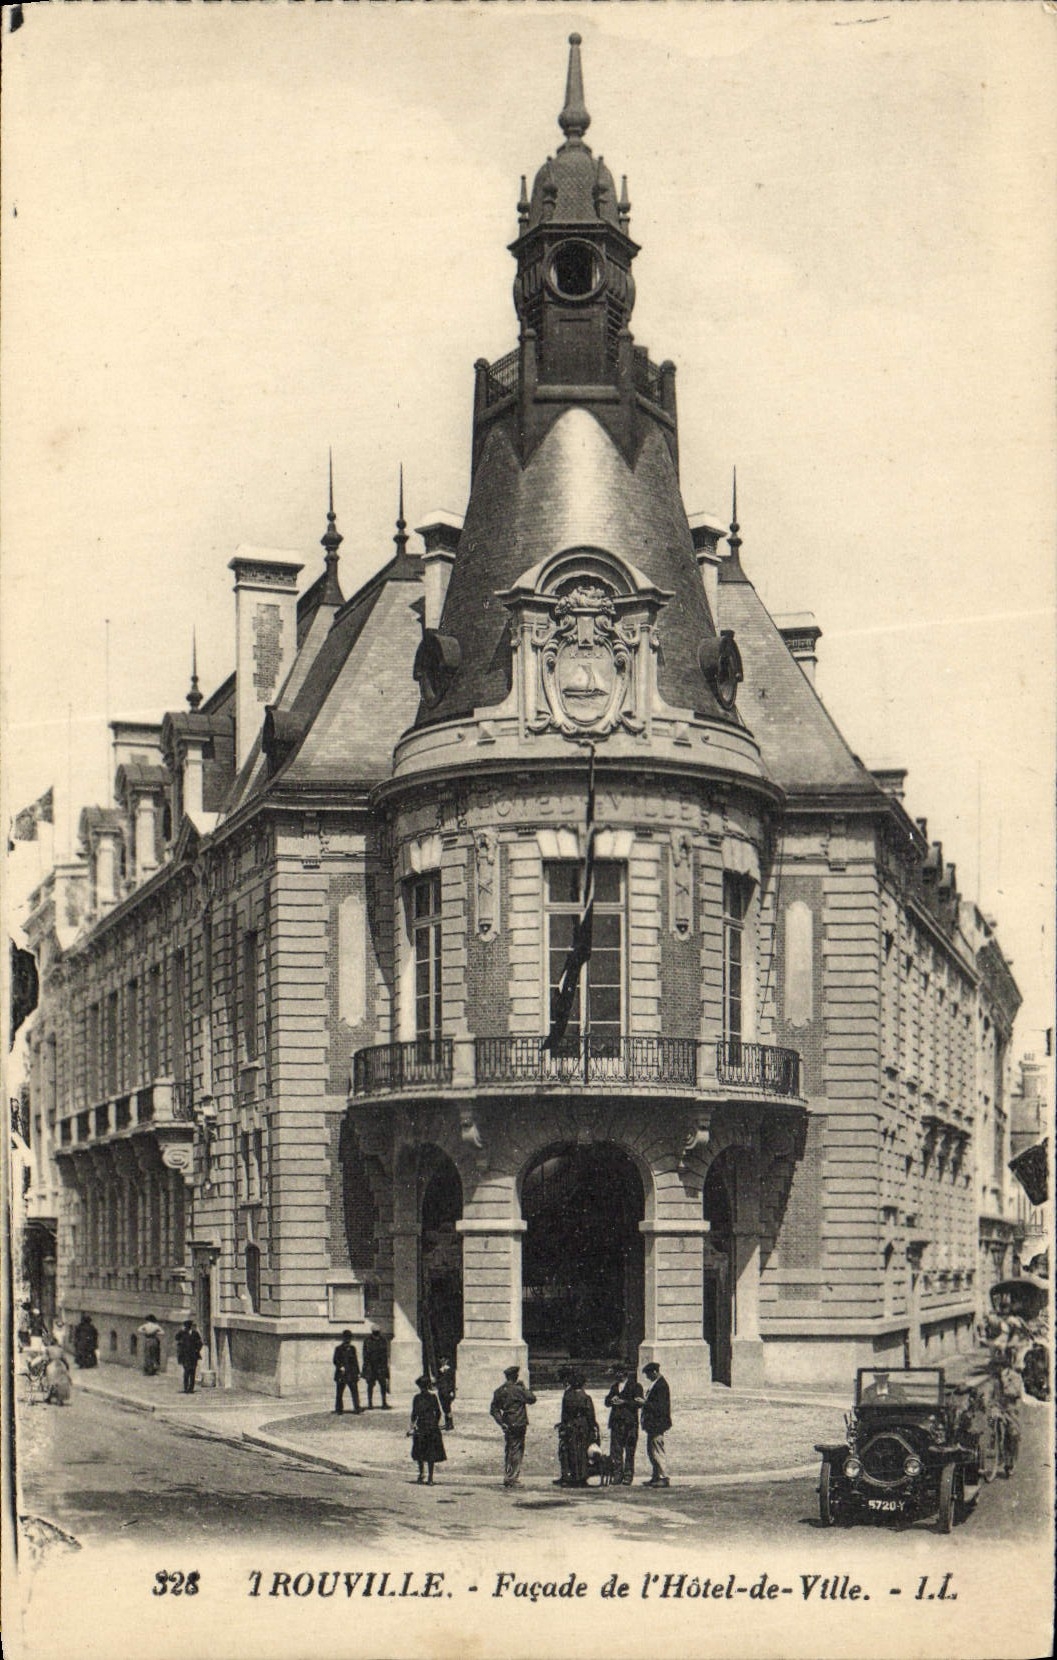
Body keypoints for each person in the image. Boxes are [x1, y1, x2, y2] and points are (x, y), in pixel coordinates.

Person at [490, 1364, 537, 1489]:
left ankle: (508, 1475)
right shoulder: (518, 1390)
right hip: (519, 1422)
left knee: (509, 1449)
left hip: (507, 1423)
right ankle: (512, 1478)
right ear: (515, 1376)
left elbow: (494, 1409)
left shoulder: (499, 1390)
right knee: (517, 1450)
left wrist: (501, 1422)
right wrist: (524, 1387)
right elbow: (532, 1399)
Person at [556, 1371, 600, 1488]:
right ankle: (581, 1477)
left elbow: (564, 1414)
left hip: (571, 1426)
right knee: (582, 1452)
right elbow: (590, 1415)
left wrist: (563, 1425)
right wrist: (594, 1426)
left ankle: (571, 1476)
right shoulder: (586, 1397)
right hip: (583, 1426)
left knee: (572, 1451)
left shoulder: (567, 1397)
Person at [604, 1362, 643, 1486]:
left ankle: (628, 1475)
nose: (616, 1375)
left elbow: (638, 1403)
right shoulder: (615, 1387)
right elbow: (606, 1401)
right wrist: (611, 1400)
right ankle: (617, 1475)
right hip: (616, 1422)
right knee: (616, 1450)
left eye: (617, 1372)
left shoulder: (636, 1386)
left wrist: (624, 1402)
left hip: (630, 1423)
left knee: (630, 1450)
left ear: (623, 1373)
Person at [408, 1374, 446, 1485]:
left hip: (423, 1426)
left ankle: (423, 1475)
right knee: (429, 1453)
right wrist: (435, 1423)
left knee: (423, 1452)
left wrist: (412, 1426)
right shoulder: (432, 1397)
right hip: (430, 1427)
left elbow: (414, 1414)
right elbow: (438, 1413)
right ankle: (429, 1477)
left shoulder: (417, 1398)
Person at [640, 1361, 672, 1487]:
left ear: (654, 1372)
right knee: (651, 1450)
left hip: (657, 1423)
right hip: (652, 1424)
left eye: (648, 1374)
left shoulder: (661, 1385)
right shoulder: (657, 1384)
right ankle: (656, 1475)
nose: (647, 1377)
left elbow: (660, 1406)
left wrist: (645, 1403)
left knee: (657, 1450)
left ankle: (664, 1477)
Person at [332, 1330, 362, 1415]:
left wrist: (358, 1373)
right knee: (339, 1392)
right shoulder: (338, 1349)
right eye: (346, 1338)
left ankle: (357, 1407)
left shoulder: (352, 1348)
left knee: (355, 1391)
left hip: (351, 1374)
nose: (348, 1340)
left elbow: (355, 1361)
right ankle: (339, 1409)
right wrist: (340, 1366)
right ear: (343, 1338)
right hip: (342, 1374)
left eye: (349, 1338)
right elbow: (335, 1360)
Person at [361, 1325, 391, 1409]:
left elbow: (385, 1355)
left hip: (381, 1367)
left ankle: (384, 1402)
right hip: (371, 1367)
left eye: (378, 1332)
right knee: (370, 1386)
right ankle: (370, 1403)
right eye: (375, 1332)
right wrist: (366, 1368)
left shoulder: (383, 1340)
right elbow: (365, 1355)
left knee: (383, 1386)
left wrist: (386, 1368)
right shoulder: (367, 1341)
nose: (377, 1333)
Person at [175, 1318, 204, 1394]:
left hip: (193, 1355)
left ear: (190, 1326)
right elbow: (176, 1338)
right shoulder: (182, 1333)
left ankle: (191, 1388)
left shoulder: (195, 1333)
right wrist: (181, 1330)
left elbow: (200, 1343)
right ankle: (186, 1388)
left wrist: (197, 1350)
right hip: (185, 1355)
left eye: (188, 1326)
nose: (187, 1327)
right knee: (186, 1371)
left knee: (192, 1372)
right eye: (186, 1326)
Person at [435, 1357, 456, 1430]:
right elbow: (438, 1380)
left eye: (444, 1360)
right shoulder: (439, 1370)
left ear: (447, 1361)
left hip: (447, 1391)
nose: (442, 1361)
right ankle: (447, 1423)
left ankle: (450, 1424)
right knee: (444, 1407)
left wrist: (452, 1391)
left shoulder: (450, 1370)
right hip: (441, 1391)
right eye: (441, 1360)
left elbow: (452, 1381)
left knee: (447, 1408)